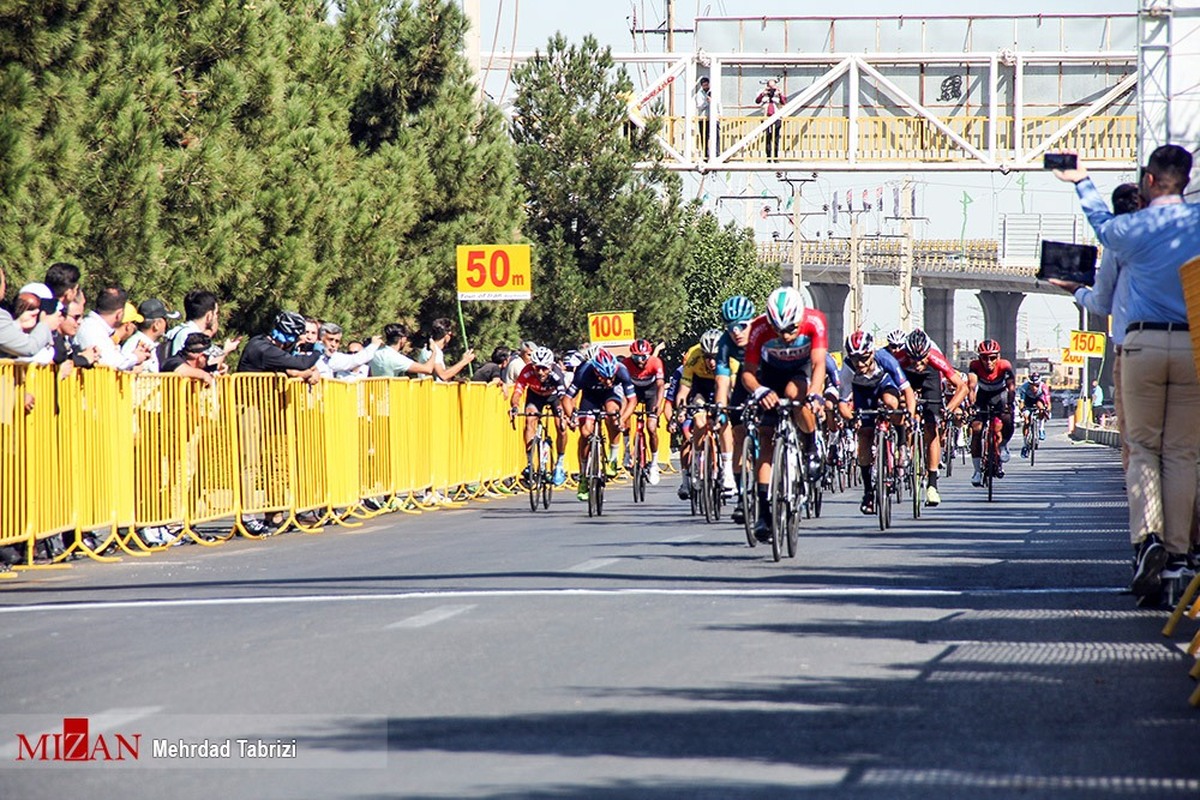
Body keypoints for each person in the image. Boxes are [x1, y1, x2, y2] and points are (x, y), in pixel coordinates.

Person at [1054, 144, 1200, 604]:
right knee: (1182, 454)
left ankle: (1148, 539)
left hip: (1142, 346)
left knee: (1142, 450)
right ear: (1187, 181)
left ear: (1150, 182)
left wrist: (1081, 180)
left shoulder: (1134, 229)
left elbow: (1103, 226)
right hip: (1193, 345)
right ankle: (1178, 556)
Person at [1048, 181, 1141, 471]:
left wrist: (1075, 289)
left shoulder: (1118, 242)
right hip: (1185, 347)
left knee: (1138, 446)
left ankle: (1147, 501)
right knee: (1181, 450)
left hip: (1136, 350)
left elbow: (1101, 303)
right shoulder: (1179, 233)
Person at [741, 286, 828, 542]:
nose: (786, 336)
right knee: (765, 437)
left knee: (795, 395)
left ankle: (811, 446)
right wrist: (759, 391)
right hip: (769, 374)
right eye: (778, 330)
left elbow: (818, 364)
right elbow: (748, 373)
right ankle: (764, 514)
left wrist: (815, 394)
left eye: (791, 329)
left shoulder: (815, 321)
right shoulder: (758, 329)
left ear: (800, 318)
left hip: (799, 371)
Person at [838, 331, 916, 515]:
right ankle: (868, 492)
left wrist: (910, 417)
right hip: (862, 392)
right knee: (864, 435)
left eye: (864, 358)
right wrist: (851, 419)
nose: (860, 364)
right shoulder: (848, 368)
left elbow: (908, 392)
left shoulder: (886, 359)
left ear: (872, 353)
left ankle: (901, 442)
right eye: (855, 359)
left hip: (884, 385)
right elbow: (842, 403)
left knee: (891, 403)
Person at [895, 329, 969, 507]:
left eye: (921, 359)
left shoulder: (935, 357)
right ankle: (903, 444)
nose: (917, 363)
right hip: (907, 377)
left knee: (932, 428)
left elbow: (963, 388)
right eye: (913, 359)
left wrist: (949, 409)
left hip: (930, 377)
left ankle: (932, 485)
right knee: (901, 408)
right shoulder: (900, 358)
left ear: (927, 353)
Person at [561, 348, 636, 501]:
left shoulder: (621, 370)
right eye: (604, 378)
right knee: (585, 433)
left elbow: (632, 400)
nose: (608, 382)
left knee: (613, 415)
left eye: (611, 377)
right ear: (596, 372)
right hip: (590, 397)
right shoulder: (584, 372)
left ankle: (613, 457)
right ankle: (583, 475)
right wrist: (572, 417)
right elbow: (567, 399)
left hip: (611, 395)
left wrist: (622, 418)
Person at [674, 329, 737, 500]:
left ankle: (727, 471)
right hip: (700, 387)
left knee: (724, 422)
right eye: (707, 356)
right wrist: (681, 409)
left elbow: (732, 387)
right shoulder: (694, 355)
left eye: (714, 357)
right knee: (699, 422)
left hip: (722, 384)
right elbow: (684, 390)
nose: (711, 361)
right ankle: (697, 462)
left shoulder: (730, 356)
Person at [713, 295, 760, 522]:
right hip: (745, 376)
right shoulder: (725, 342)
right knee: (738, 433)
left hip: (769, 373)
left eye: (741, 326)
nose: (736, 332)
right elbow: (722, 380)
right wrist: (721, 408)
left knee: (771, 426)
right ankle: (742, 497)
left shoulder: (763, 332)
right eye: (730, 327)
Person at [511, 345, 569, 486]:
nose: (541, 372)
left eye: (544, 369)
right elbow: (518, 391)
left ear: (550, 366)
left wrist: (565, 414)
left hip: (554, 397)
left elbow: (563, 397)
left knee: (561, 427)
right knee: (529, 421)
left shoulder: (556, 374)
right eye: (537, 368)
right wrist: (514, 406)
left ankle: (559, 464)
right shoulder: (527, 371)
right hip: (535, 396)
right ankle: (530, 463)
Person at [966, 339, 1017, 486]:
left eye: (992, 358)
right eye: (984, 358)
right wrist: (971, 405)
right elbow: (972, 386)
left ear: (998, 357)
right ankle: (977, 471)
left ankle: (1003, 445)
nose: (988, 361)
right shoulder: (974, 365)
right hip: (982, 396)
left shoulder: (1004, 365)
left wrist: (1010, 404)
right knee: (976, 429)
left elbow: (1011, 388)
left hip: (1000, 395)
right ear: (979, 358)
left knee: (1007, 419)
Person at [620, 338, 665, 485]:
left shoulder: (655, 362)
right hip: (634, 391)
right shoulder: (626, 363)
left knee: (651, 427)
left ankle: (654, 464)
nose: (640, 361)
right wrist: (622, 412)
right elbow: (622, 390)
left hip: (651, 392)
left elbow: (660, 386)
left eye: (643, 357)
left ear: (649, 355)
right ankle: (628, 453)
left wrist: (658, 405)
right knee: (624, 417)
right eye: (636, 357)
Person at [74, 287, 151, 371]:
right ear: (119, 314)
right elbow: (109, 363)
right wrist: (135, 357)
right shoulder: (92, 329)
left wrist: (134, 357)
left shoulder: (96, 328)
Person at [121, 298, 179, 373]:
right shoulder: (136, 345)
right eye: (165, 320)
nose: (167, 324)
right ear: (157, 325)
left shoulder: (145, 343)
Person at [313, 322, 380, 380]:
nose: (333, 344)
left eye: (337, 341)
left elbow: (354, 360)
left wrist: (374, 345)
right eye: (330, 339)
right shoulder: (311, 355)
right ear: (320, 339)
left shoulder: (333, 357)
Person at [369, 323, 436, 378]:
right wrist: (434, 352)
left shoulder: (376, 353)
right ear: (402, 339)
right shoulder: (396, 358)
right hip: (391, 390)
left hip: (374, 390)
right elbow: (428, 369)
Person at [426, 318, 476, 382]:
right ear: (447, 335)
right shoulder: (433, 350)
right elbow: (443, 375)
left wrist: (453, 379)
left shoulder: (432, 349)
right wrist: (464, 361)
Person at [1017, 372, 1052, 457]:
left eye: (1036, 385)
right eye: (1032, 385)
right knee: (1026, 421)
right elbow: (1022, 403)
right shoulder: (1024, 388)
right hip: (1028, 401)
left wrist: (1047, 409)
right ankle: (1025, 444)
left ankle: (1041, 429)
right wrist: (1022, 411)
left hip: (1039, 399)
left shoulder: (1044, 387)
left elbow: (1048, 402)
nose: (1034, 388)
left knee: (1040, 407)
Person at [754, 78, 787, 162]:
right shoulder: (762, 92)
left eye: (773, 87)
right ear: (767, 86)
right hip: (766, 117)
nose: (771, 89)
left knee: (776, 138)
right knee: (768, 137)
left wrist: (779, 94)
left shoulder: (779, 92)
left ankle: (775, 157)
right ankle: (768, 157)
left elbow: (784, 102)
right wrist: (763, 94)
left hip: (776, 117)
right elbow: (757, 101)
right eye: (770, 87)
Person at [696, 76, 713, 157]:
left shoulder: (712, 92)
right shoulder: (699, 94)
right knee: (704, 137)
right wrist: (707, 101)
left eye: (707, 85)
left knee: (713, 136)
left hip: (712, 118)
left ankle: (714, 154)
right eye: (704, 85)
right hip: (703, 118)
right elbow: (699, 106)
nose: (706, 87)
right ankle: (706, 155)